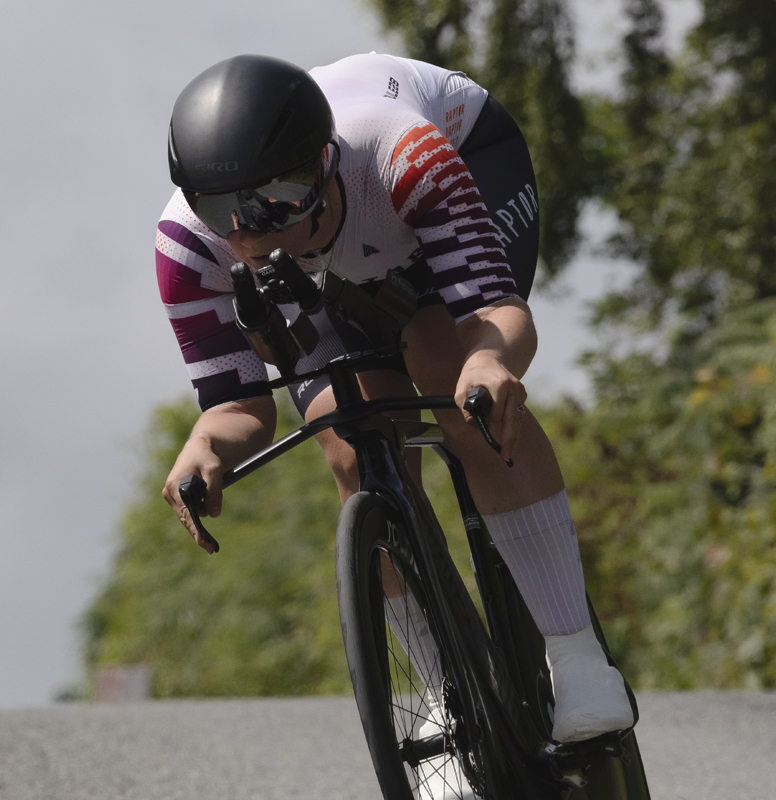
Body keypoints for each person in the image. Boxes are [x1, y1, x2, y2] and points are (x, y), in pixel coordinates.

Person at [154, 52, 635, 759]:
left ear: (321, 165)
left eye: (272, 200)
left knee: (452, 374)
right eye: (220, 210)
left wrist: (489, 361)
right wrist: (204, 449)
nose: (248, 234)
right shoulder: (188, 250)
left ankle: (578, 657)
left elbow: (494, 314)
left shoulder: (402, 155)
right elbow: (240, 407)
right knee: (346, 439)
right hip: (332, 266)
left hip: (452, 175)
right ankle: (444, 705)